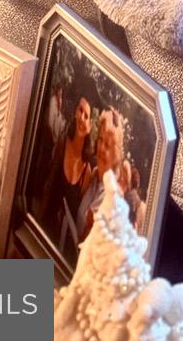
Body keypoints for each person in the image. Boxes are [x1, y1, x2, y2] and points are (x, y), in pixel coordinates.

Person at [38, 93, 94, 255]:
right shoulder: (62, 143)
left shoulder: (87, 171)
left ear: (90, 125)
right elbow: (48, 185)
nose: (82, 118)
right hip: (42, 228)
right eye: (80, 110)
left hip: (60, 247)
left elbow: (78, 216)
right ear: (75, 112)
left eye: (86, 116)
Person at [77, 106, 125, 240]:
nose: (101, 148)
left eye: (108, 145)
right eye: (100, 140)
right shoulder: (94, 177)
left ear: (116, 155)